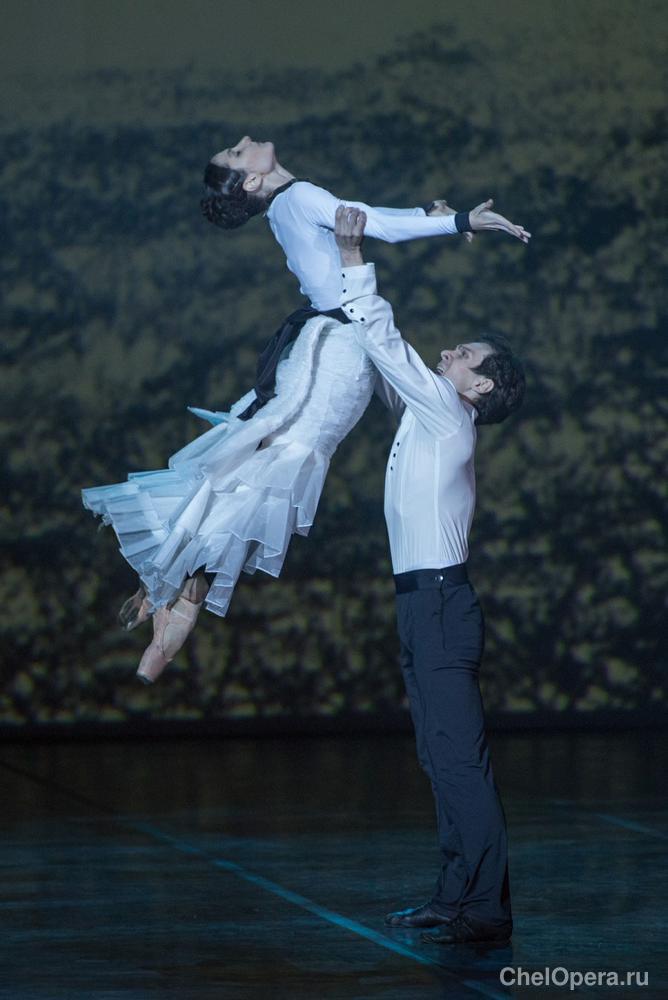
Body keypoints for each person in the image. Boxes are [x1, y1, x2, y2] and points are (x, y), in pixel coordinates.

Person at [82, 136, 530, 683]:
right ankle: (177, 591)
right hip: (336, 351)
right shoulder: (297, 198)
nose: (244, 142)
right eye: (236, 154)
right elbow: (370, 223)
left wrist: (430, 218)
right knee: (270, 456)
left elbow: (368, 220)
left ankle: (174, 586)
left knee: (257, 455)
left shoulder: (286, 205)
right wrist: (458, 221)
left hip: (334, 346)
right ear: (251, 180)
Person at [333, 205, 524, 945]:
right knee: (439, 758)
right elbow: (380, 362)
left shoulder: (447, 414)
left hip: (441, 605)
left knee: (458, 761)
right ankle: (456, 896)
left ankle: (485, 909)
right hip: (422, 606)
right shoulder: (432, 411)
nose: (450, 352)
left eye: (465, 354)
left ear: (482, 387)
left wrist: (354, 255)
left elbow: (384, 340)